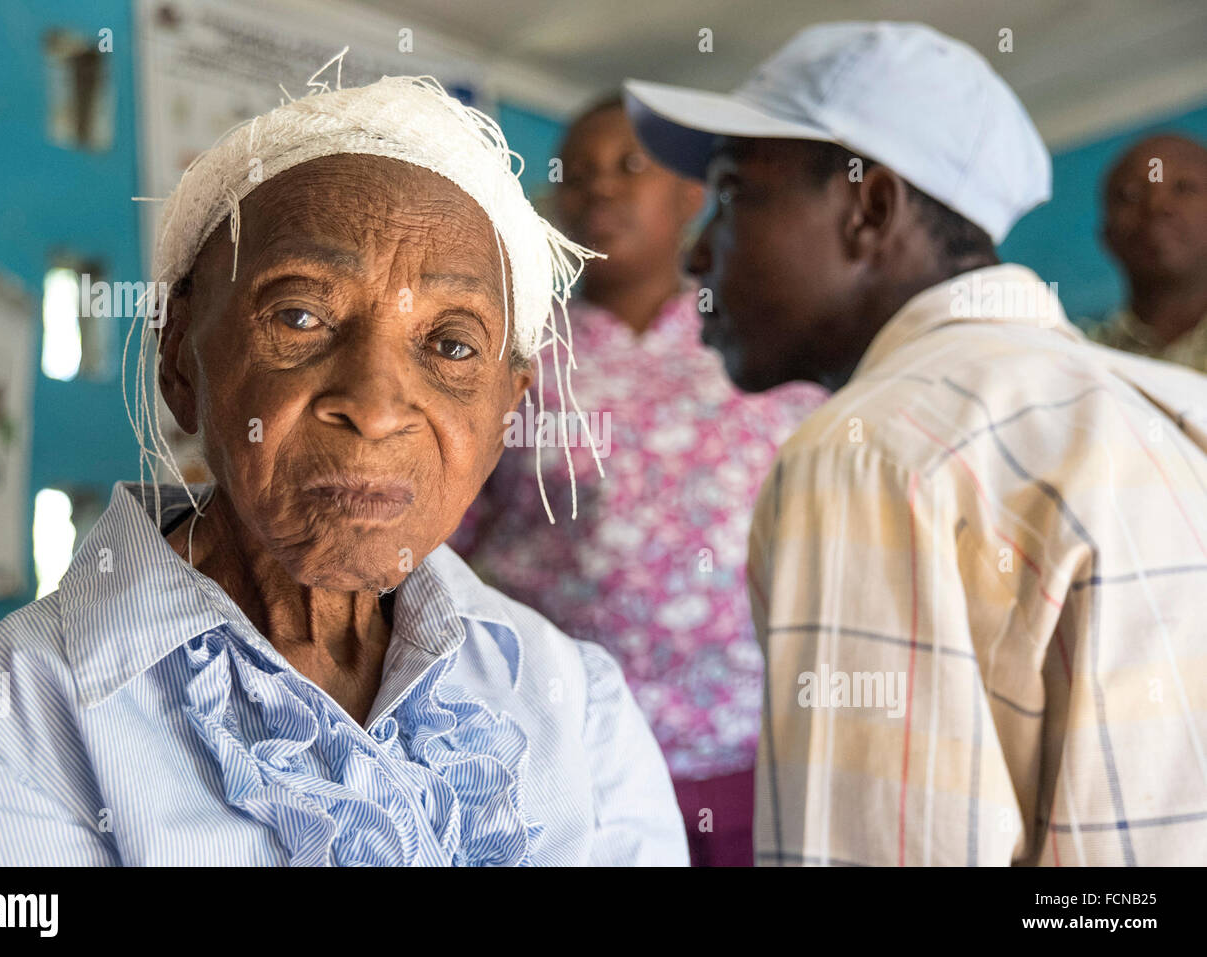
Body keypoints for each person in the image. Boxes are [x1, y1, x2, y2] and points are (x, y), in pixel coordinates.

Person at [0, 68, 688, 866]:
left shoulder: (578, 703)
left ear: (506, 411)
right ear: (179, 359)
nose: (377, 405)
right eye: (302, 316)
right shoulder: (11, 730)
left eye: (451, 344)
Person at [626, 20, 1207, 865]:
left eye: (733, 192)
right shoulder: (1162, 404)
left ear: (868, 207)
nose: (696, 254)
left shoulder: (869, 453)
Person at [451, 97, 826, 866]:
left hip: (749, 743)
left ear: (692, 195)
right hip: (571, 746)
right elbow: (445, 534)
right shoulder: (516, 350)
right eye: (578, 175)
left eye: (629, 167)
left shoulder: (761, 336)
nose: (600, 191)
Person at [1089, 134, 1207, 372]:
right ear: (1108, 237)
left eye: (1184, 188)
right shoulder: (1085, 362)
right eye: (1131, 195)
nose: (1156, 206)